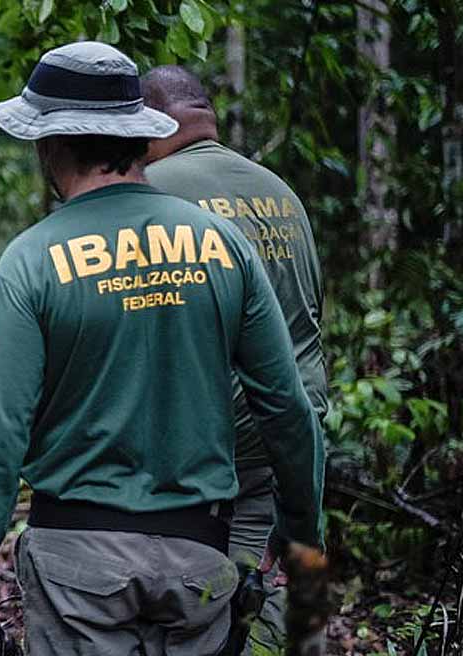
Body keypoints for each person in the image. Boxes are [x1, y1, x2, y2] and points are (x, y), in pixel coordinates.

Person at [0, 42, 324, 656]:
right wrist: (301, 529)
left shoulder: (31, 261)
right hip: (200, 557)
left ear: (50, 144)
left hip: (76, 568)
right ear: (140, 137)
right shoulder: (223, 244)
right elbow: (286, 405)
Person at [142, 65, 329, 654]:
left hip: (197, 451)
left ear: (146, 125)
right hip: (287, 440)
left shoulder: (148, 193)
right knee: (256, 589)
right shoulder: (282, 193)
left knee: (187, 614)